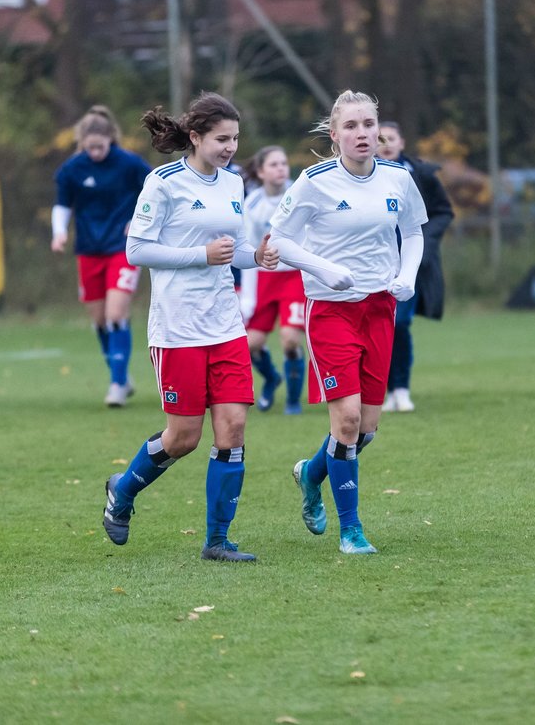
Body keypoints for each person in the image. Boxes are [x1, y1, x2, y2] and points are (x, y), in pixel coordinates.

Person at [101, 93, 278, 562]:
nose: (230, 147)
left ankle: (217, 541)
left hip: (224, 324)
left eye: (236, 139)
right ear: (195, 136)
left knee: (234, 429)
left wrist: (255, 257)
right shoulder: (162, 183)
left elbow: (234, 250)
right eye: (222, 138)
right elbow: (137, 251)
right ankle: (122, 492)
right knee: (183, 438)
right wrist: (200, 255)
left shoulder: (234, 184)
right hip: (177, 329)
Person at [268, 90, 427, 555]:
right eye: (352, 127)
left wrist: (407, 275)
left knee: (368, 428)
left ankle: (311, 473)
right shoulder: (314, 182)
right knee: (348, 421)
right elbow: (278, 240)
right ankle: (351, 530)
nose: (362, 134)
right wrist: (322, 268)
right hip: (332, 311)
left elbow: (414, 231)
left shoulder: (399, 178)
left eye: (368, 125)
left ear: (379, 130)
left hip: (381, 309)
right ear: (334, 135)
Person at [51, 106, 152, 407]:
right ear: (81, 143)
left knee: (116, 314)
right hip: (88, 250)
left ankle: (118, 384)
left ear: (111, 139)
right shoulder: (71, 170)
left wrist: (140, 220)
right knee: (98, 321)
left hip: (122, 249)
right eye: (89, 147)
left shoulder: (130, 163)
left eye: (100, 146)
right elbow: (62, 205)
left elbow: (156, 193)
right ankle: (119, 372)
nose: (95, 152)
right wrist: (59, 232)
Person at [376, 121, 454, 413]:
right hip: (375, 265)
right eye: (380, 138)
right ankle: (381, 391)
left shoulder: (420, 175)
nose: (385, 143)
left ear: (402, 142)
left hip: (411, 266)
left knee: (399, 324)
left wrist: (425, 244)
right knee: (378, 328)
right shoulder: (361, 175)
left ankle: (401, 389)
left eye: (391, 138)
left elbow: (443, 212)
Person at [239, 145, 307, 414]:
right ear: (260, 171)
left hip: (294, 276)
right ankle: (271, 378)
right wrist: (247, 297)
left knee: (290, 339)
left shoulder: (299, 194)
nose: (281, 168)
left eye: (284, 163)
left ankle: (292, 402)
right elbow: (247, 252)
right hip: (264, 279)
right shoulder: (252, 204)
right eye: (274, 164)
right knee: (249, 345)